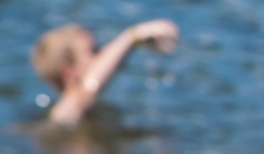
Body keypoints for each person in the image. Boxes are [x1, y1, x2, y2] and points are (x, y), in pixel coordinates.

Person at [35, 18, 179, 125]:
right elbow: (87, 90)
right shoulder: (66, 111)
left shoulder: (88, 110)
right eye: (93, 51)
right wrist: (132, 36)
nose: (104, 54)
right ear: (69, 74)